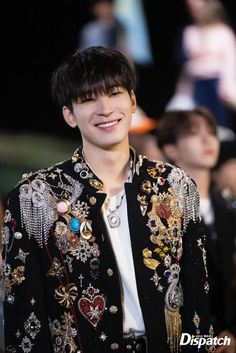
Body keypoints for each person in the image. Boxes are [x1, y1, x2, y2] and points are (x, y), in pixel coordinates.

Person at [2, 46, 213, 353]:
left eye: (114, 93)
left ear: (132, 101)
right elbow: (24, 317)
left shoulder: (175, 186)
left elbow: (197, 302)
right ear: (69, 115)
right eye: (88, 99)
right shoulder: (36, 197)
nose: (105, 108)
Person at [157, 107, 236, 353]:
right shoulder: (159, 213)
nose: (207, 139)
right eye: (193, 133)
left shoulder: (229, 208)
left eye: (211, 132)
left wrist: (232, 333)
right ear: (171, 149)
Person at [166, 0, 236, 139]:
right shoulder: (190, 31)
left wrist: (226, 87)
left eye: (198, 7)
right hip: (195, 85)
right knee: (193, 122)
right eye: (191, 8)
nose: (195, 11)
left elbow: (230, 62)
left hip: (216, 86)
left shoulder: (223, 32)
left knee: (219, 124)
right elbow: (185, 65)